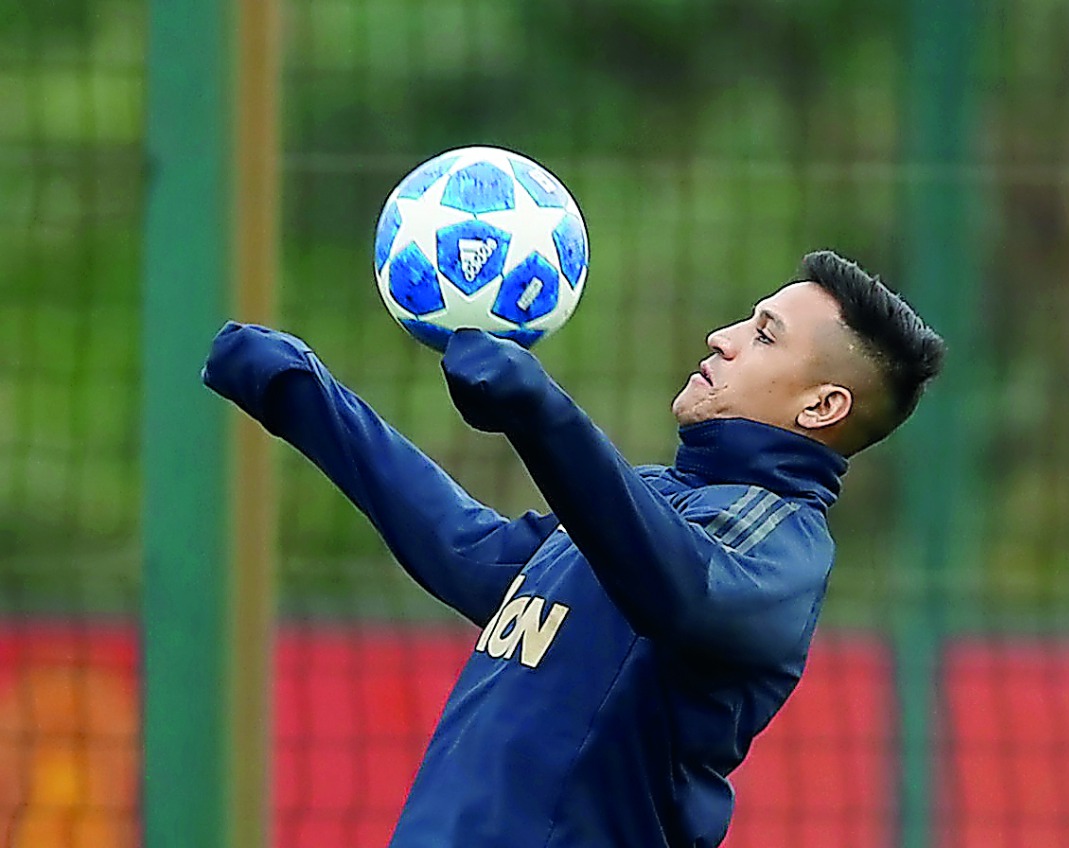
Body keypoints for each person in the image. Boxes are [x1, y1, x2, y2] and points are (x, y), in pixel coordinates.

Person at [202, 249, 945, 847]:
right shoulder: (651, 503)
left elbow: (686, 593)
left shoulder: (780, 545)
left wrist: (540, 413)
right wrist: (302, 393)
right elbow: (471, 551)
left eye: (764, 334)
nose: (723, 337)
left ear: (822, 405)